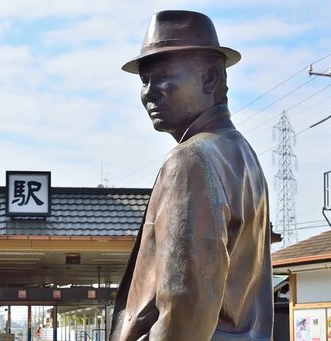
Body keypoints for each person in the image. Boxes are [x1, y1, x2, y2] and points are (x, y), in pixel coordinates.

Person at [110, 10, 273, 341]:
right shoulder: (243, 155)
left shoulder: (190, 160)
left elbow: (184, 303)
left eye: (165, 77)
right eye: (145, 81)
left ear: (210, 79)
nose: (149, 93)